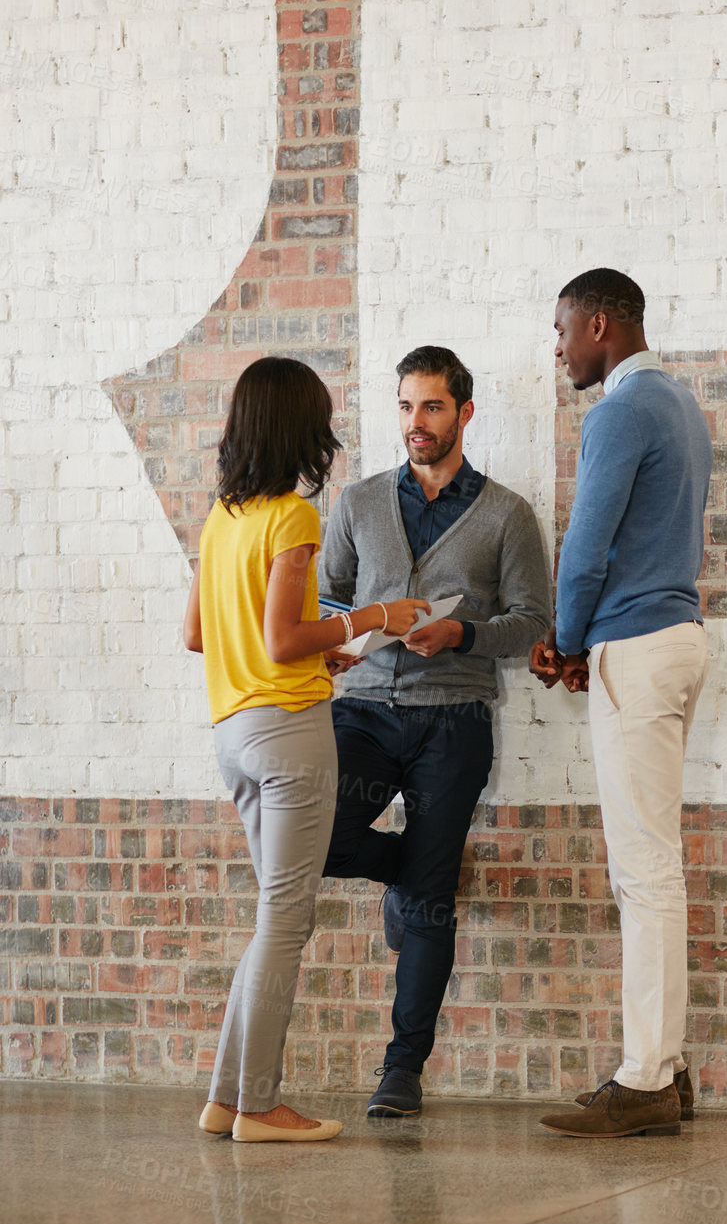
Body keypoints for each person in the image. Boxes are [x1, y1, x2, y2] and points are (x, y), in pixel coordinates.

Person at [183, 356, 428, 1143]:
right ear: (300, 425)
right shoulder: (292, 516)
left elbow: (198, 635)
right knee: (287, 922)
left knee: (272, 920)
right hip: (289, 735)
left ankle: (227, 1099)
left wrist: (314, 651)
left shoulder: (222, 516)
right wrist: (375, 617)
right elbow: (284, 637)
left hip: (235, 734)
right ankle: (259, 1106)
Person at [319, 345, 552, 1118]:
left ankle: (402, 1071)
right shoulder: (356, 503)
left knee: (428, 904)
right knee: (320, 838)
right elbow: (325, 602)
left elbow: (531, 625)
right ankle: (411, 870)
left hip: (453, 722)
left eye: (432, 408)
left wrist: (463, 637)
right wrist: (351, 634)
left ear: (464, 413)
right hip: (364, 711)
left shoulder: (508, 514)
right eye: (406, 407)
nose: (416, 424)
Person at [531, 269, 712, 1141]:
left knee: (642, 875)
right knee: (657, 871)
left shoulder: (618, 412)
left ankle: (645, 1077)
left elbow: (585, 546)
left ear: (601, 324)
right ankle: (667, 1071)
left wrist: (566, 642)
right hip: (675, 640)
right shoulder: (682, 406)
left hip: (635, 650)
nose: (558, 346)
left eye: (563, 328)